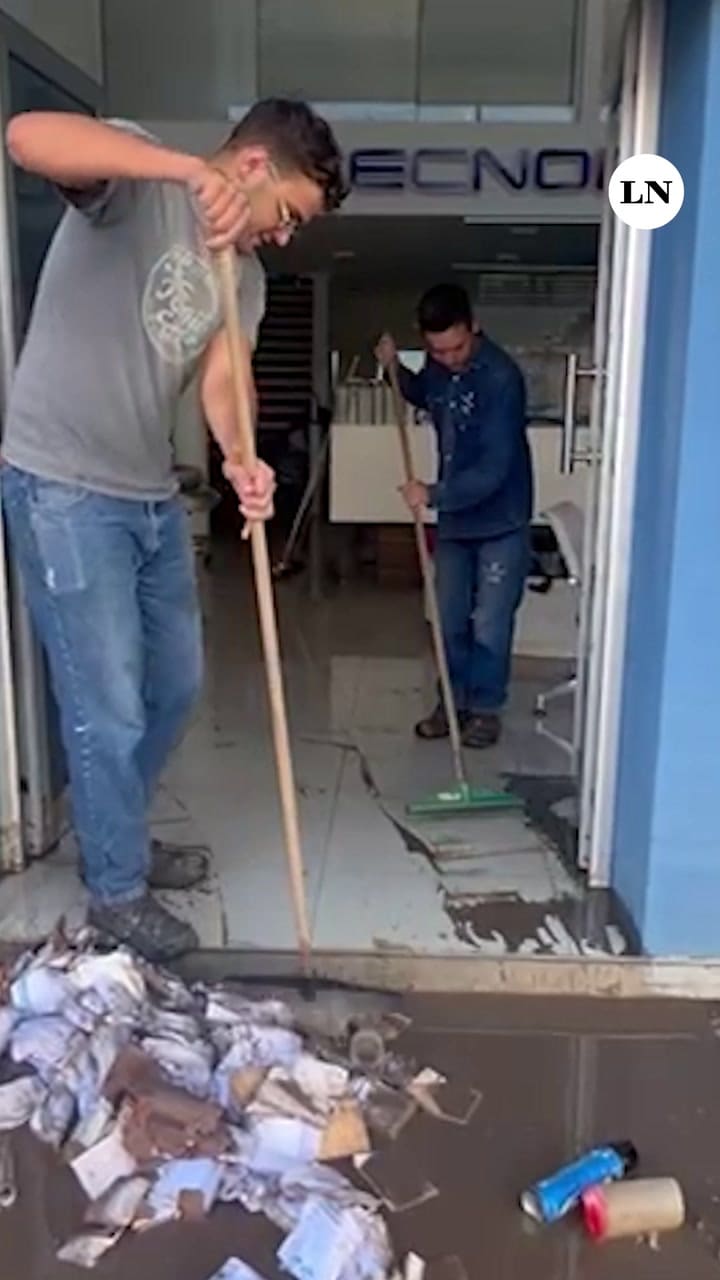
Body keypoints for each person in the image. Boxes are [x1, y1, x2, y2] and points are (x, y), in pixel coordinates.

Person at [0, 99, 347, 960]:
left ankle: (112, 835)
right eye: (288, 213)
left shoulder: (246, 279)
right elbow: (25, 138)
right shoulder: (139, 177)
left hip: (148, 491)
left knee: (176, 685)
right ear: (254, 167)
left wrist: (242, 456)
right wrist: (189, 172)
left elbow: (225, 380)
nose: (284, 235)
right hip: (64, 486)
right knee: (107, 702)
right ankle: (116, 891)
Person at [376, 283, 532, 749]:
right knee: (448, 620)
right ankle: (452, 702)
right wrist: (394, 370)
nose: (448, 359)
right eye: (437, 351)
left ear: (474, 327)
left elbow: (494, 467)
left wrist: (433, 493)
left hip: (501, 518)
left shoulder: (501, 379)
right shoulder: (439, 368)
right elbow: (426, 394)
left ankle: (484, 710)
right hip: (456, 521)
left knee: (489, 623)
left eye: (456, 348)